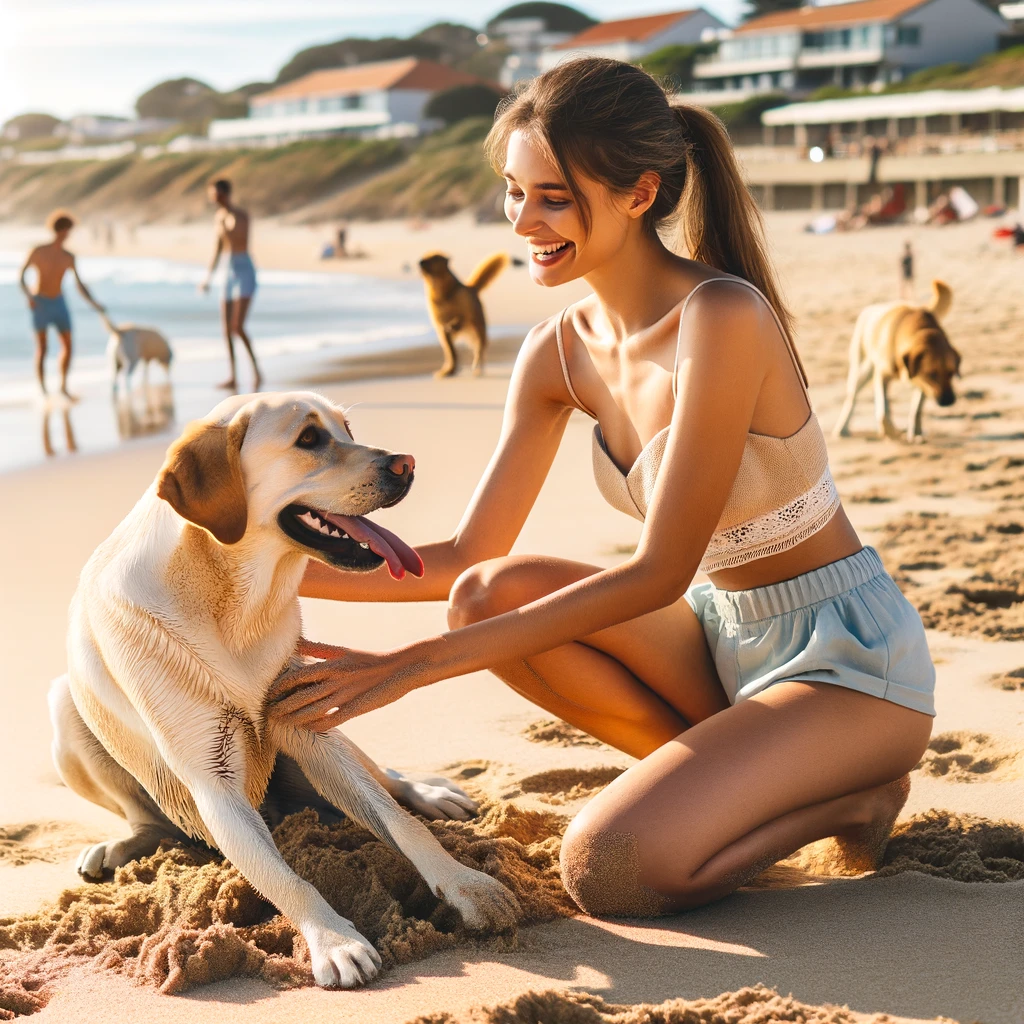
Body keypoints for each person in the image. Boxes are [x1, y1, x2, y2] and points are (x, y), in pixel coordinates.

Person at [271, 58, 935, 917]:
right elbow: (468, 557)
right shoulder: (556, 352)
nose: (524, 222)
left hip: (846, 664)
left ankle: (853, 798)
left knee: (608, 868)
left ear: (638, 194)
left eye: (552, 197)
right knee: (485, 595)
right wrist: (271, 572)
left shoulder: (722, 318)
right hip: (718, 640)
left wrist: (411, 669)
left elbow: (658, 572)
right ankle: (740, 775)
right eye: (514, 193)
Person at [19, 210, 106, 399]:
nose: (69, 234)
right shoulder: (38, 251)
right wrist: (29, 297)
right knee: (42, 348)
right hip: (40, 302)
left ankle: (63, 387)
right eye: (68, 230)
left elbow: (79, 284)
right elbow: (22, 276)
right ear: (62, 230)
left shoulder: (69, 256)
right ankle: (43, 390)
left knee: (68, 345)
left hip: (59, 302)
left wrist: (95, 304)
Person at [199, 178, 262, 389]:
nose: (213, 198)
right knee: (226, 329)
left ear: (224, 194)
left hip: (244, 267)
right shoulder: (219, 217)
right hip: (227, 268)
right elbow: (218, 248)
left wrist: (226, 221)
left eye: (215, 194)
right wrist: (208, 277)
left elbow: (238, 236)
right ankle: (233, 375)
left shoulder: (241, 215)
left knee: (238, 326)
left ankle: (256, 370)